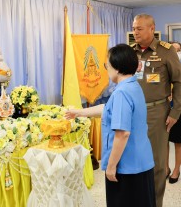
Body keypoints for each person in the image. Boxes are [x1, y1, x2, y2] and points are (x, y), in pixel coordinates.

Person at [65, 44, 156, 207]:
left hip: (126, 167)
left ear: (117, 67)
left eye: (107, 65)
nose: (106, 69)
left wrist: (111, 166)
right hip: (141, 162)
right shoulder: (133, 86)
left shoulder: (121, 93)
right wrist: (78, 112)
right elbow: (107, 109)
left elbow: (122, 134)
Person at [131, 14, 181, 207]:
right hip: (133, 112)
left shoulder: (166, 52)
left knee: (158, 163)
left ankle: (154, 202)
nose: (135, 32)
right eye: (134, 28)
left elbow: (178, 82)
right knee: (134, 158)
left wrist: (175, 112)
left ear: (152, 29)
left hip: (156, 113)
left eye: (139, 28)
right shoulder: (130, 52)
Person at [166, 41, 181, 184]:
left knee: (177, 140)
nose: (175, 53)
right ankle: (165, 168)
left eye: (178, 50)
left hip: (178, 107)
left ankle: (176, 169)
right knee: (163, 139)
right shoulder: (162, 65)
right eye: (173, 50)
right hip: (163, 106)